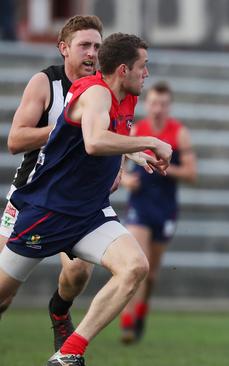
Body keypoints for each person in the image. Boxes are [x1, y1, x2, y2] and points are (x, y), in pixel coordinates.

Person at [0, 32, 172, 366]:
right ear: (123, 70)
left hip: (89, 214)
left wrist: (136, 155)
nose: (147, 74)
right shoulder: (95, 93)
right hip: (46, 212)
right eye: (143, 66)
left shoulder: (126, 95)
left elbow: (112, 136)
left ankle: (69, 352)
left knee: (134, 267)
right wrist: (149, 140)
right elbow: (94, 141)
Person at [0, 15, 103, 352]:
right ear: (63, 48)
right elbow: (15, 140)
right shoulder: (45, 83)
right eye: (84, 45)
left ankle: (59, 312)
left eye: (98, 47)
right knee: (3, 292)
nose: (92, 53)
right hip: (31, 194)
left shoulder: (102, 88)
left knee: (78, 274)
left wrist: (121, 167)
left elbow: (114, 135)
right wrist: (67, 127)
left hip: (76, 199)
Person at [119, 81, 197, 344]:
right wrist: (125, 180)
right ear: (147, 104)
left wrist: (164, 167)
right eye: (153, 103)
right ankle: (128, 322)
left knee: (151, 274)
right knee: (137, 264)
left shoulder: (179, 133)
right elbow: (118, 160)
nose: (157, 108)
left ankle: (141, 310)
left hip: (165, 209)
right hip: (140, 205)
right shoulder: (137, 130)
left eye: (163, 104)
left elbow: (191, 173)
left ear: (169, 106)